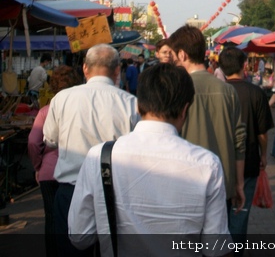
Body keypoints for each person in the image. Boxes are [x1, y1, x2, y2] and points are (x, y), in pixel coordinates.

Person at [68, 63, 232, 257]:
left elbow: (80, 237)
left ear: (138, 106)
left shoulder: (100, 156)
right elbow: (216, 249)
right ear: (184, 110)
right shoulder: (207, 164)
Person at [43, 44, 139, 257]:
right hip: (115, 193)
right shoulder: (131, 103)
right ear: (117, 71)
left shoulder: (62, 98)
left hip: (70, 191)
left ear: (85, 68)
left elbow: (49, 140)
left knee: (70, 251)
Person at [169, 25, 246, 213]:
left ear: (182, 55)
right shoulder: (227, 90)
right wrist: (239, 184)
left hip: (185, 183)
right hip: (222, 183)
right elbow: (239, 141)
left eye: (172, 55)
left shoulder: (175, 89)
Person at [219, 46, 274, 241]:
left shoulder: (219, 93)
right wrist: (263, 155)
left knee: (220, 214)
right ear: (244, 66)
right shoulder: (256, 93)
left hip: (222, 161)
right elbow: (262, 133)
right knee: (240, 214)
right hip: (249, 161)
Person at [28, 66, 81, 257]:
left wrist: (37, 166)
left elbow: (34, 142)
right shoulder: (80, 110)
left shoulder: (45, 111)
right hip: (74, 172)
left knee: (51, 217)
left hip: (48, 172)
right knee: (75, 218)